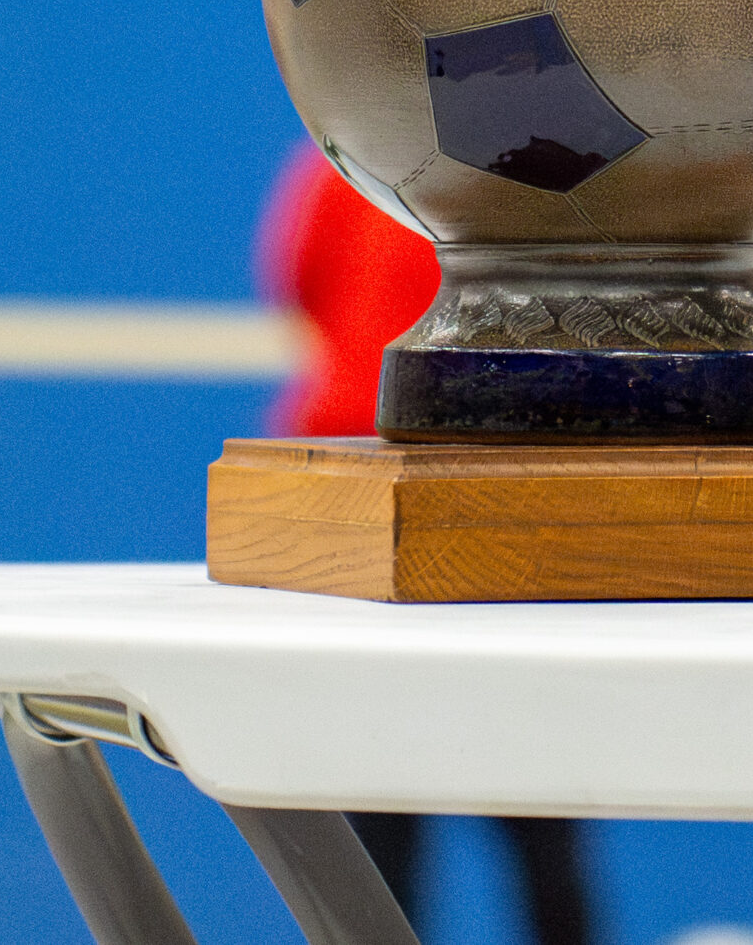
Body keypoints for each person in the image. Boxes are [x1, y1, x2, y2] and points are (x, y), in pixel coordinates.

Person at [257, 145, 597, 945]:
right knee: (536, 796)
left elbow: (297, 277)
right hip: (496, 493)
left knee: (378, 797)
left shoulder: (350, 155)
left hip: (356, 487)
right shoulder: (533, 172)